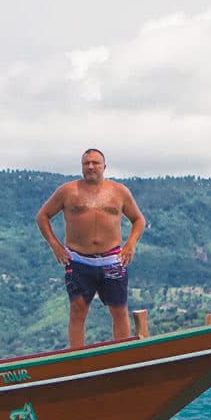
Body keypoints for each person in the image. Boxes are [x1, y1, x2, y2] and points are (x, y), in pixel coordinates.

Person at [35, 148, 147, 349]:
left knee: (119, 309)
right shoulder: (68, 191)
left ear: (104, 166)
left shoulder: (119, 191)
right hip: (78, 260)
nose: (91, 167)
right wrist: (55, 246)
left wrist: (131, 244)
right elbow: (43, 216)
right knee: (78, 309)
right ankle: (77, 357)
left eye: (95, 163)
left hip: (113, 259)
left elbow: (138, 219)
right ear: (81, 166)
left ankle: (121, 355)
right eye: (86, 163)